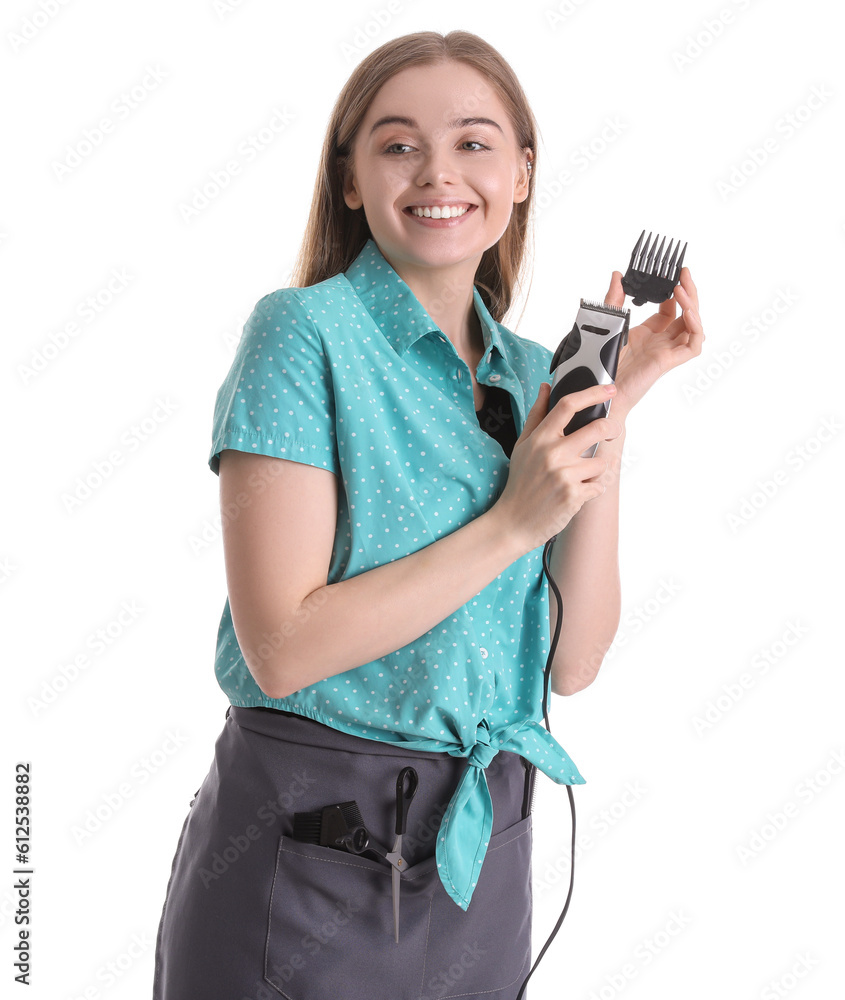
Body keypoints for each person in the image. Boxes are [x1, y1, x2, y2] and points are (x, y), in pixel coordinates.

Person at [152, 29, 704, 1000]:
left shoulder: (536, 375)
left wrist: (601, 415)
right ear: (352, 179)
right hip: (305, 846)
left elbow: (570, 666)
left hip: (480, 854)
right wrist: (512, 520)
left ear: (521, 173)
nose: (438, 173)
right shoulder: (303, 336)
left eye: (475, 143)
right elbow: (280, 645)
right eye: (398, 144)